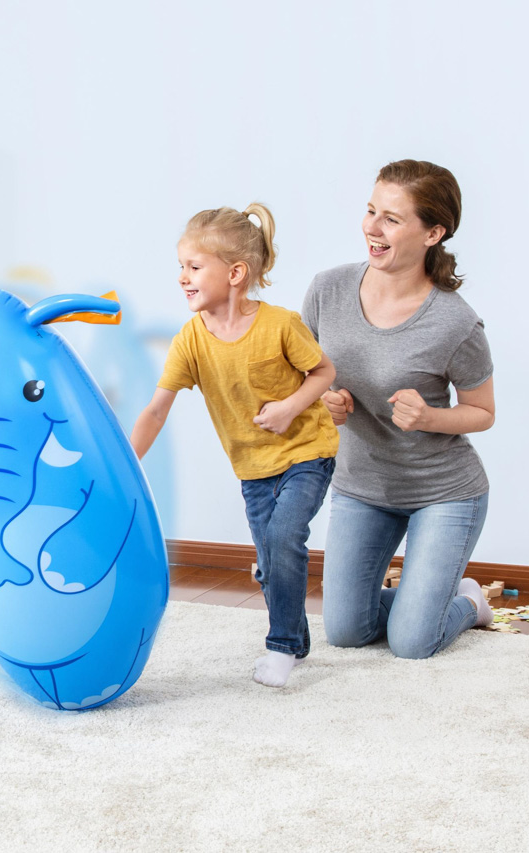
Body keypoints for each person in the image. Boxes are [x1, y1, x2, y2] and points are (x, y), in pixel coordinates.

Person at [133, 204, 339, 687]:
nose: (182, 277)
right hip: (252, 468)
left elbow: (324, 371)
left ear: (235, 274)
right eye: (181, 266)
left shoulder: (281, 324)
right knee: (270, 563)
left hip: (307, 452)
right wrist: (127, 462)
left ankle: (281, 646)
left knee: (284, 538)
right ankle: (298, 640)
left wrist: (289, 407)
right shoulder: (190, 341)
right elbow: (156, 410)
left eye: (194, 266)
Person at [302, 159, 496, 660]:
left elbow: (482, 412)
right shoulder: (327, 290)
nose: (373, 227)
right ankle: (418, 603)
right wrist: (322, 400)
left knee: (413, 642)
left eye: (391, 218)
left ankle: (468, 601)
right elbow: (302, 376)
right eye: (371, 211)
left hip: (444, 493)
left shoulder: (455, 322)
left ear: (433, 233)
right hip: (363, 487)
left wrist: (429, 417)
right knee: (345, 631)